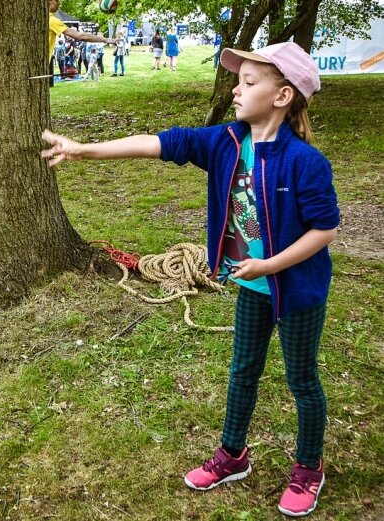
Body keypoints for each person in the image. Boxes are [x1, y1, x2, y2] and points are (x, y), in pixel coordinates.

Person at [41, 42, 338, 518]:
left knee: (301, 380)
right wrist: (84, 150)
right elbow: (161, 143)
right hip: (252, 289)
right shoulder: (224, 142)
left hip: (296, 291)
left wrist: (270, 265)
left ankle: (308, 468)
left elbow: (326, 230)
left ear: (282, 96)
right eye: (239, 80)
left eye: (249, 82)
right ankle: (232, 454)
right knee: (243, 372)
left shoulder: (305, 162)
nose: (237, 90)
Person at [47, 0, 114, 85]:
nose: (59, 3)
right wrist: (105, 40)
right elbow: (80, 36)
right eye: (57, 0)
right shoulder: (52, 20)